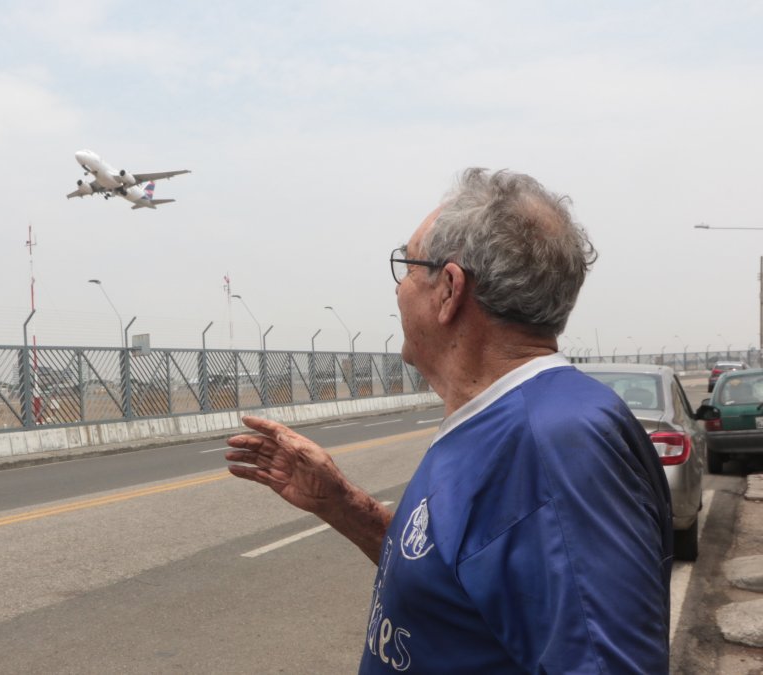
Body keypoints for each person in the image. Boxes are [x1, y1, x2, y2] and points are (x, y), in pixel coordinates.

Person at [226, 169, 672, 673]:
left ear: (449, 290)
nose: (398, 290)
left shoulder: (555, 444)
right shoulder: (496, 418)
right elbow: (458, 582)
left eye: (408, 267)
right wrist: (342, 503)